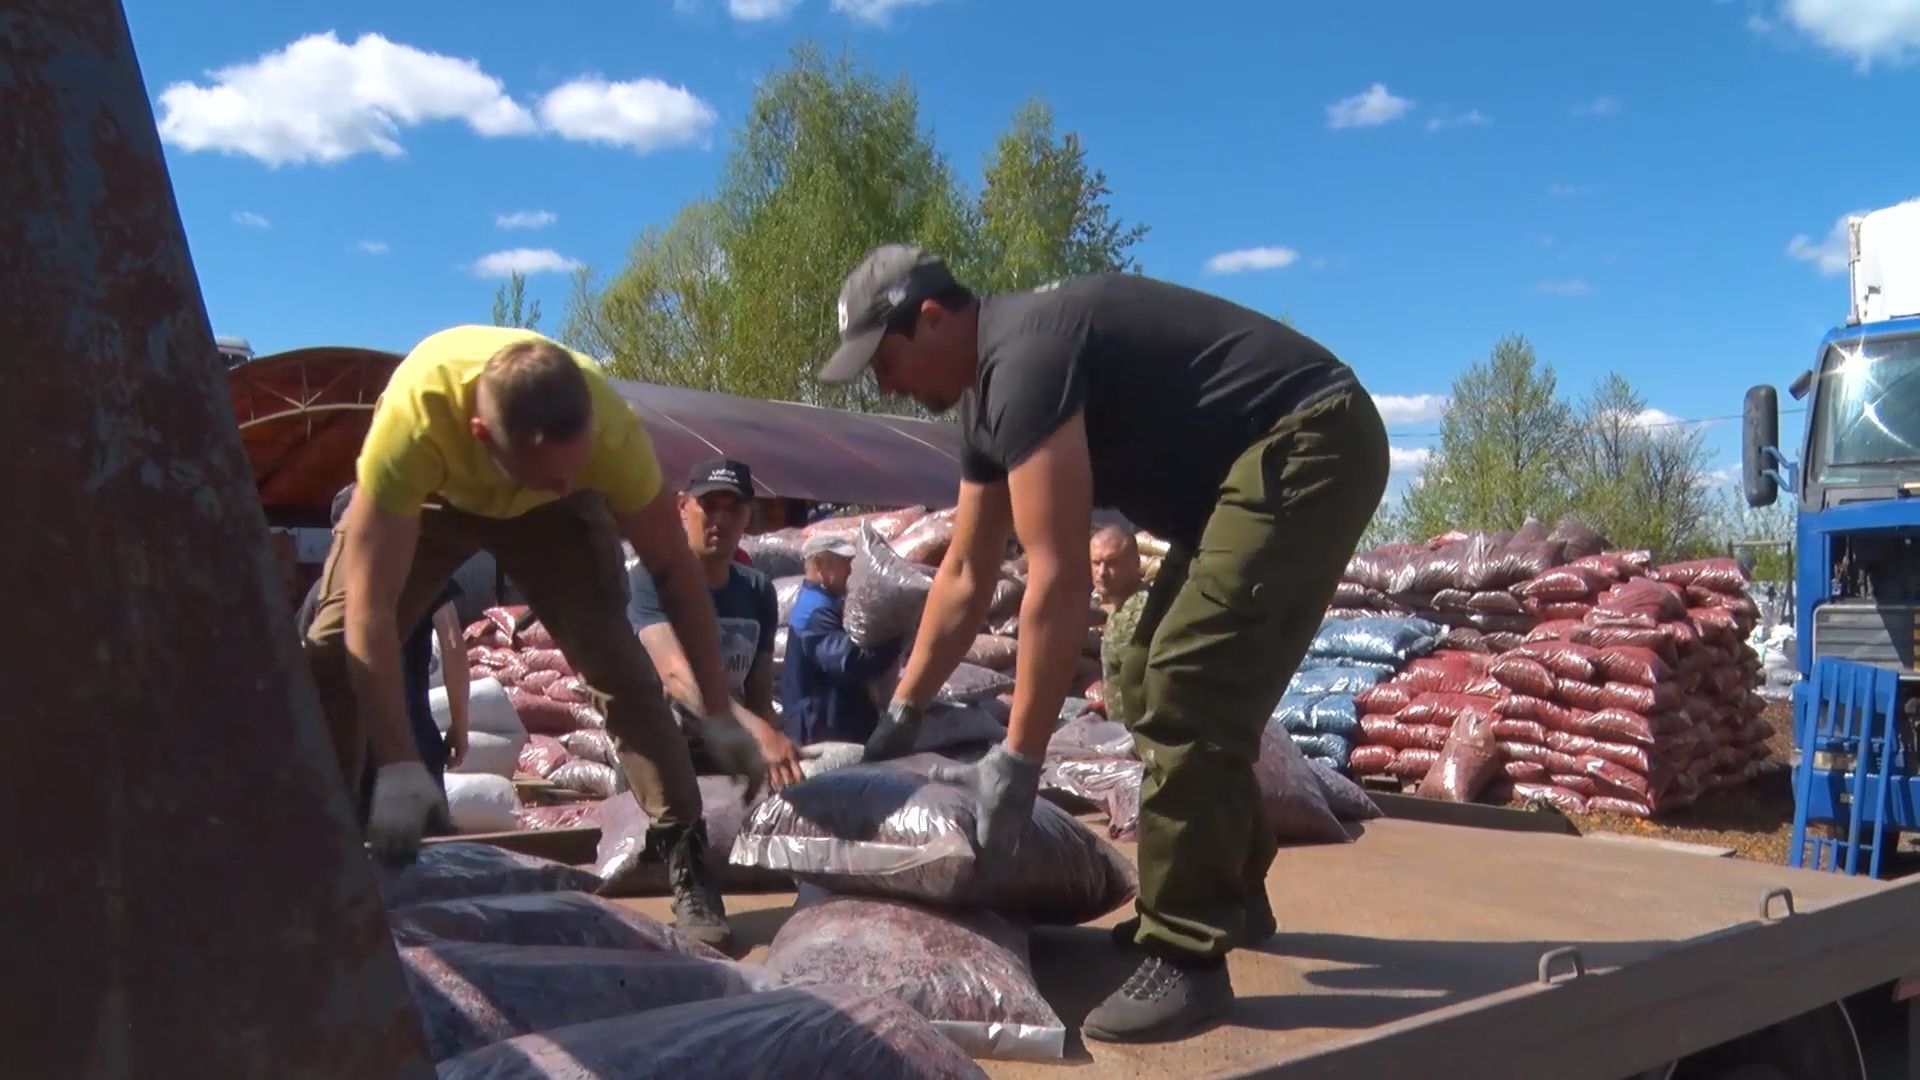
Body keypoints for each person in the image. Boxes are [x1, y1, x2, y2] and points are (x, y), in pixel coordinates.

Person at [817, 245, 1389, 1043]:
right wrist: (902, 716)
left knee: (1189, 680)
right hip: (1236, 479)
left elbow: (1057, 578)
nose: (886, 387)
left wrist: (1019, 760)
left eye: (885, 361)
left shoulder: (1026, 357)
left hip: (1310, 436)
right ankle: (1227, 891)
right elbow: (965, 575)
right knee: (1140, 668)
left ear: (934, 318)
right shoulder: (988, 402)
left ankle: (1188, 955)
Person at [302, 324, 757, 951]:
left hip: (550, 519)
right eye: (551, 471)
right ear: (480, 435)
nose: (566, 482)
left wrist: (718, 709)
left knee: (618, 668)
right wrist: (402, 763)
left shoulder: (610, 436)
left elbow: (675, 571)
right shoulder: (413, 424)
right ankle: (325, 857)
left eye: (575, 466)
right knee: (329, 648)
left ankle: (686, 855)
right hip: (439, 495)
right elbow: (369, 607)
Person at [626, 456, 805, 798]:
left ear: (748, 516)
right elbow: (676, 677)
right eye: (708, 506)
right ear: (683, 506)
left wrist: (773, 742)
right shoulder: (651, 578)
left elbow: (759, 695)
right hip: (661, 758)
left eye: (734, 509)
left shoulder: (758, 591)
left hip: (728, 755)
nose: (720, 520)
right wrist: (757, 732)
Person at [296, 484, 469, 815]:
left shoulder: (321, 596)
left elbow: (307, 667)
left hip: (353, 743)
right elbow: (451, 641)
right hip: (412, 739)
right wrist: (460, 724)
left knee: (357, 837)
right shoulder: (413, 573)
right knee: (424, 843)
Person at [779, 533, 905, 746]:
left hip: (831, 720)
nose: (849, 570)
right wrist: (894, 642)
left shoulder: (826, 601)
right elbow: (849, 663)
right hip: (820, 725)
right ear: (821, 565)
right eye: (844, 563)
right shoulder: (816, 611)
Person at [1090, 524, 1148, 725]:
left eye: (1112, 563)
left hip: (1135, 732)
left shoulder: (1137, 613)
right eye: (1096, 563)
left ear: (1136, 563)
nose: (1102, 572)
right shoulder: (1120, 610)